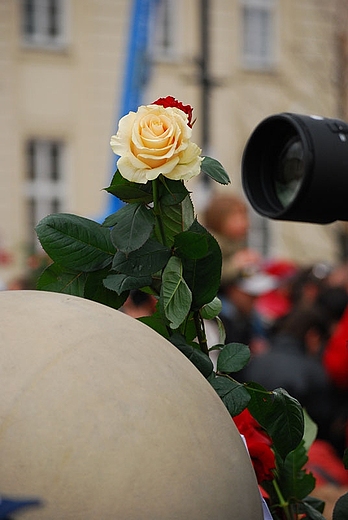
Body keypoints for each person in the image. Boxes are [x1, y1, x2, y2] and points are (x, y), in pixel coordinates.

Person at [242, 304, 334, 442]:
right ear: (313, 336)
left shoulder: (255, 361)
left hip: (252, 441)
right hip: (293, 451)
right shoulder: (313, 372)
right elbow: (322, 422)